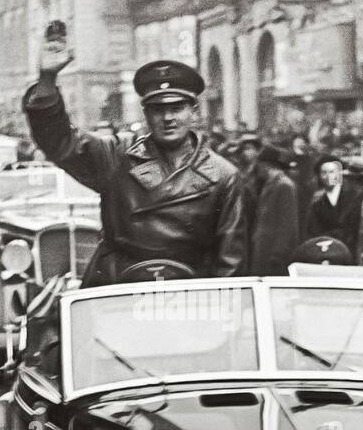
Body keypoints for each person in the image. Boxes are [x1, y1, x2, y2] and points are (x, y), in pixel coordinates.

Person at [23, 32, 247, 286]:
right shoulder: (117, 157)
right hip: (117, 289)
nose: (168, 118)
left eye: (176, 108)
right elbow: (59, 141)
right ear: (146, 114)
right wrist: (47, 78)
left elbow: (231, 263)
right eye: (158, 110)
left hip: (189, 295)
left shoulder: (224, 176)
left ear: (194, 111)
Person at [247, 145, 302, 276]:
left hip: (273, 255)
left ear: (265, 164)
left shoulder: (284, 185)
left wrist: (278, 254)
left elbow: (287, 224)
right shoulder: (270, 184)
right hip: (264, 251)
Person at [305, 155, 361, 249]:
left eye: (332, 172)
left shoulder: (353, 196)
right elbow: (313, 230)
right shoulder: (317, 201)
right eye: (324, 173)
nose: (328, 176)